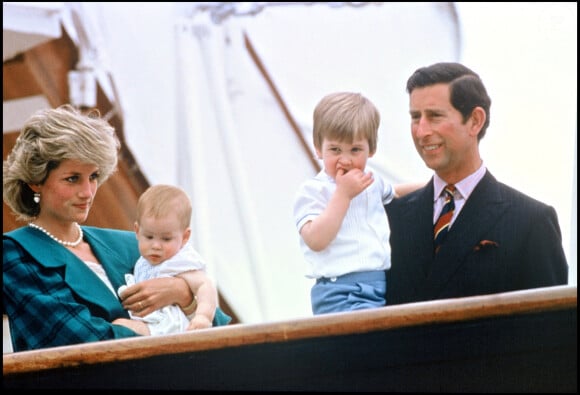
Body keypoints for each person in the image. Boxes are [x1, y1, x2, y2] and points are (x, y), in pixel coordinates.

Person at [2, 105, 227, 352]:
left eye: (94, 176)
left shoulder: (132, 244)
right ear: (35, 182)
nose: (87, 192)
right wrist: (151, 330)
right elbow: (81, 343)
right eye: (72, 178)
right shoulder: (14, 254)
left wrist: (181, 294)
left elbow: (219, 330)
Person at [385, 62, 569, 305]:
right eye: (415, 117)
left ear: (475, 121)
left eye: (435, 116)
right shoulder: (391, 216)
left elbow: (550, 333)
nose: (421, 131)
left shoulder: (530, 222)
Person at [293, 91, 420, 315]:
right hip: (339, 289)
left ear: (371, 149)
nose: (345, 159)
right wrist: (343, 194)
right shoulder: (313, 191)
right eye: (335, 149)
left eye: (355, 150)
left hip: (377, 284)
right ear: (318, 148)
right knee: (360, 343)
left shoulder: (371, 181)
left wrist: (435, 184)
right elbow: (315, 239)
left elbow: (396, 193)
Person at [117, 184, 230, 335]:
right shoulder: (144, 261)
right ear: (137, 231)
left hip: (174, 324)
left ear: (184, 237)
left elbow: (205, 284)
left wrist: (203, 316)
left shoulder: (179, 261)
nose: (156, 245)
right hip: (153, 320)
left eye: (166, 239)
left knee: (120, 326)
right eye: (149, 236)